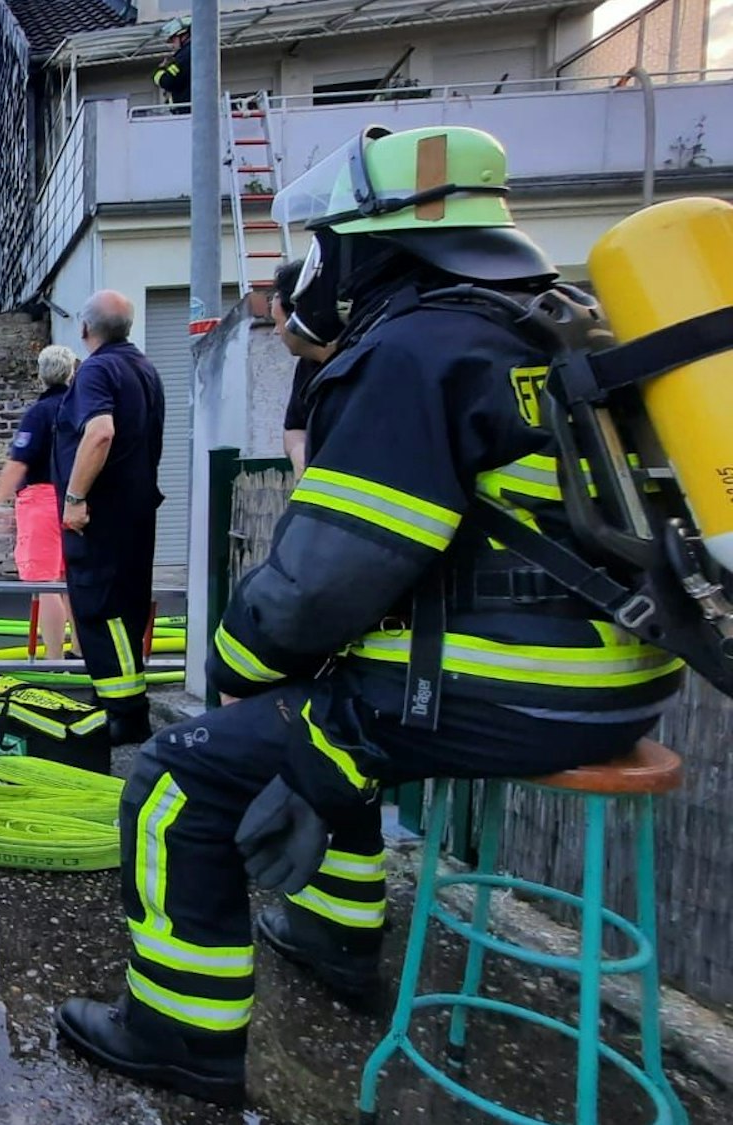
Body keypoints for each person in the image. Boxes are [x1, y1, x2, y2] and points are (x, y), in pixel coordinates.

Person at [51, 125, 686, 1108]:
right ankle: (330, 940)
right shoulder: (551, 322)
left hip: (505, 690)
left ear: (365, 244)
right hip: (617, 681)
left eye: (319, 246)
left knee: (179, 780)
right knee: (320, 727)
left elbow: (319, 582)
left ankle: (177, 1035)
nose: (311, 270)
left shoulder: (414, 350)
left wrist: (231, 675)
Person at [55, 290, 165, 747]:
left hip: (102, 515)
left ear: (85, 329)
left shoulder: (98, 369)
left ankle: (123, 713)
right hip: (134, 512)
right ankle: (121, 702)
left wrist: (75, 497)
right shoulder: (144, 368)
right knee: (126, 607)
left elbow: (100, 433)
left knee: (103, 610)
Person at [0, 344, 80, 659]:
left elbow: (18, 461)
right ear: (71, 373)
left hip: (41, 501)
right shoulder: (83, 410)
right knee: (71, 581)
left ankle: (54, 662)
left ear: (41, 376)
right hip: (76, 501)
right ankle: (80, 655)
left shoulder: (39, 413)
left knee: (47, 584)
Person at [270, 259, 337, 476]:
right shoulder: (307, 366)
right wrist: (298, 450)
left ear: (299, 321)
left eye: (277, 322)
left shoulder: (365, 362)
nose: (275, 332)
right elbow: (294, 428)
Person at [152, 16, 192, 113]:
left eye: (173, 40)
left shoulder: (184, 56)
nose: (172, 45)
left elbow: (168, 81)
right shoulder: (193, 52)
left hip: (187, 112)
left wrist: (160, 70)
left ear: (183, 36)